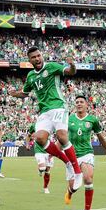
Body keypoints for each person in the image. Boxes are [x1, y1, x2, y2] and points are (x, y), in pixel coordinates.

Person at [9, 46, 83, 190]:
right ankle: (67, 162)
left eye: (38, 56)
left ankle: (77, 172)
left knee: (62, 136)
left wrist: (72, 65)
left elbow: (70, 72)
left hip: (58, 106)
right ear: (29, 60)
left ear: (41, 56)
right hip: (44, 111)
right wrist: (14, 93)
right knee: (40, 139)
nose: (37, 58)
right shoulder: (31, 76)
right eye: (33, 57)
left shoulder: (52, 66)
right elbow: (25, 93)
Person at [65, 96, 106, 210]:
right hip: (72, 155)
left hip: (87, 153)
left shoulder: (92, 120)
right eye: (77, 102)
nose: (79, 104)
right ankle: (70, 191)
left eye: (81, 102)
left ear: (86, 104)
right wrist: (53, 152)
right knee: (74, 187)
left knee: (88, 179)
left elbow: (101, 138)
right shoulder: (69, 119)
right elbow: (61, 137)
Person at [26, 123, 54, 194]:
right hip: (39, 151)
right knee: (42, 168)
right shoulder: (34, 125)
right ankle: (40, 170)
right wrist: (27, 144)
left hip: (49, 150)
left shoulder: (51, 124)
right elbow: (28, 136)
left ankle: (45, 187)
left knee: (47, 170)